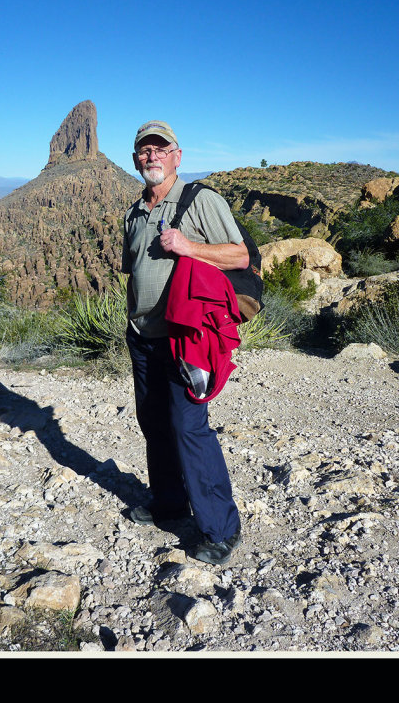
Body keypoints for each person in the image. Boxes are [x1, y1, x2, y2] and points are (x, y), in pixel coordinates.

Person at [121, 119, 249, 566]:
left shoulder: (199, 200)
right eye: (144, 150)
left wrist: (188, 246)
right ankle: (170, 503)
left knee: (188, 428)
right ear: (136, 158)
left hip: (185, 336)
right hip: (143, 337)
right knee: (155, 423)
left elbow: (239, 255)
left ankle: (220, 527)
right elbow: (134, 273)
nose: (151, 155)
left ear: (178, 155)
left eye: (160, 148)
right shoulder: (133, 212)